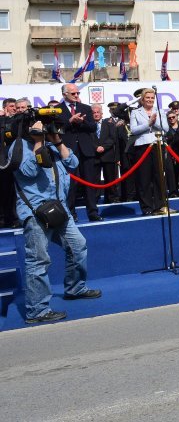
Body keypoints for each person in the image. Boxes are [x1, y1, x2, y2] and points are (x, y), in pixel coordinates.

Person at [12, 119, 101, 324]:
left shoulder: (51, 145)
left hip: (60, 209)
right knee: (38, 260)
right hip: (36, 212)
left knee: (78, 246)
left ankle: (75, 288)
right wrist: (37, 142)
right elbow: (29, 171)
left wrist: (57, 141)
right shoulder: (19, 147)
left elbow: (73, 163)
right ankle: (37, 310)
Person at [56, 83, 102, 222]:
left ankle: (93, 212)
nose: (76, 95)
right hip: (68, 152)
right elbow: (58, 129)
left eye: (78, 93)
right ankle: (70, 213)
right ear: (65, 94)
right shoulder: (57, 110)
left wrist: (81, 122)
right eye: (73, 93)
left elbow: (93, 127)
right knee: (70, 185)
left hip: (86, 151)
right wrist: (70, 121)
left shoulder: (85, 108)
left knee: (89, 183)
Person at [129, 88, 171, 216]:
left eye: (152, 98)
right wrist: (148, 123)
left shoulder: (160, 111)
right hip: (143, 147)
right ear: (142, 99)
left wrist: (155, 121)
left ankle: (160, 205)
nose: (150, 100)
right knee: (144, 178)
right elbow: (134, 130)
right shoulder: (135, 112)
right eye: (147, 98)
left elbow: (166, 129)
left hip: (158, 145)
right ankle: (146, 207)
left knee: (159, 177)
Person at [1, 98, 22, 228]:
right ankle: (4, 218)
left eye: (16, 106)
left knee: (16, 192)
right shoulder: (2, 120)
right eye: (12, 106)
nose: (14, 109)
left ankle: (15, 218)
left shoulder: (19, 120)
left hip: (18, 160)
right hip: (4, 162)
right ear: (5, 108)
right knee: (4, 191)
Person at [88, 104, 114, 208]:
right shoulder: (88, 125)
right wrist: (96, 148)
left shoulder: (109, 124)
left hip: (107, 154)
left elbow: (112, 138)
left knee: (110, 178)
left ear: (102, 113)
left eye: (98, 112)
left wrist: (104, 147)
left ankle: (111, 198)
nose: (96, 114)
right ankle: (96, 199)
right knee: (95, 179)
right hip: (94, 155)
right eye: (94, 113)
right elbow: (87, 139)